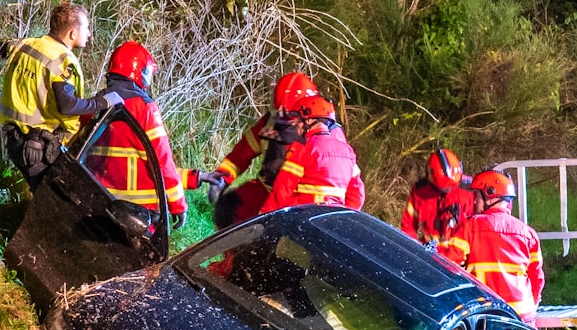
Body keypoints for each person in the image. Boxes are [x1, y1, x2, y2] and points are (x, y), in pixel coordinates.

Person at [0, 1, 120, 185]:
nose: (89, 34)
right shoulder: (62, 60)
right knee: (52, 202)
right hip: (37, 148)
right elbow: (67, 105)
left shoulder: (27, 44)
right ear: (73, 33)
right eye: (86, 28)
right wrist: (103, 102)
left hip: (16, 139)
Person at [82, 40, 187, 227]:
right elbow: (162, 160)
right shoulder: (145, 109)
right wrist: (178, 204)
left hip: (95, 197)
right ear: (141, 72)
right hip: (137, 213)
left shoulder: (97, 103)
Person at [203, 71, 320, 229]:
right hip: (266, 190)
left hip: (299, 203)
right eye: (279, 113)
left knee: (268, 238)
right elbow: (242, 153)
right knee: (228, 208)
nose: (282, 120)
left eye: (289, 116)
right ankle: (232, 253)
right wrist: (222, 177)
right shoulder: (270, 123)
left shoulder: (321, 139)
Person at [440, 170, 546, 323]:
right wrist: (531, 307)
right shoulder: (528, 233)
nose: (475, 202)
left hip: (488, 315)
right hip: (524, 318)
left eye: (477, 196)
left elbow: (449, 267)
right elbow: (537, 279)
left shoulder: (471, 226)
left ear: (489, 197)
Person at [261, 96, 366, 213]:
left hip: (301, 218)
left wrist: (266, 217)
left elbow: (282, 190)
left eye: (298, 121)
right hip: (331, 222)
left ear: (309, 120)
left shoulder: (305, 148)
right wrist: (343, 218)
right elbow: (357, 196)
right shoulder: (348, 151)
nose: (297, 126)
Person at [401, 148, 475, 248]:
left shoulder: (470, 191)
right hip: (429, 254)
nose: (449, 189)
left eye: (452, 186)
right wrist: (412, 250)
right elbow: (408, 227)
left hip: (458, 258)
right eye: (445, 188)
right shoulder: (421, 192)